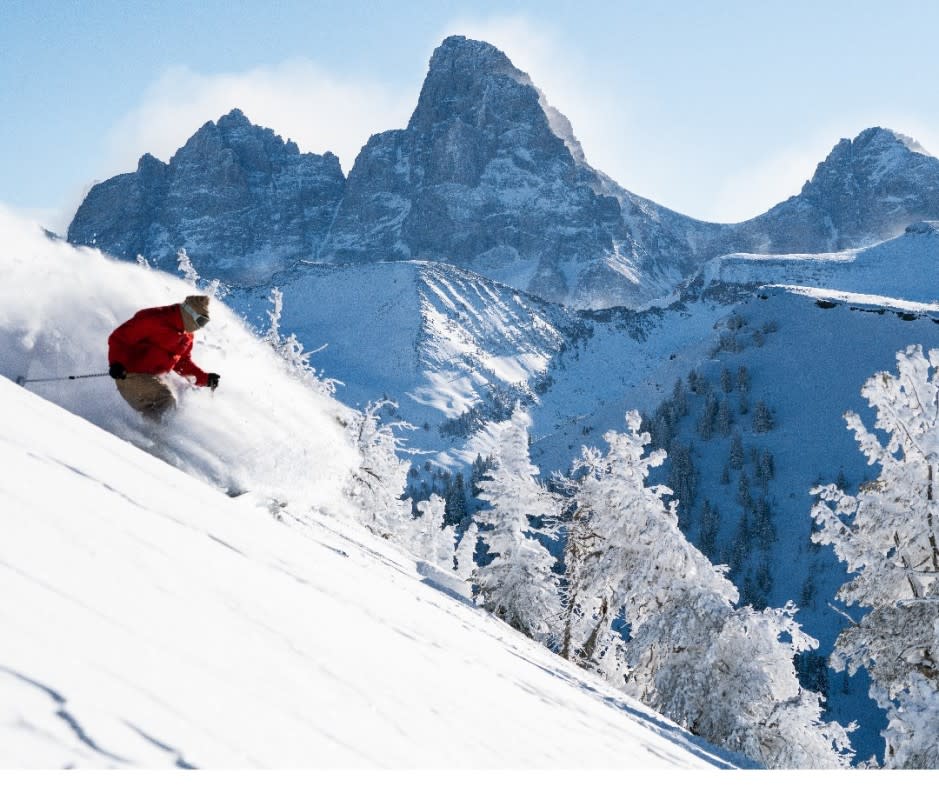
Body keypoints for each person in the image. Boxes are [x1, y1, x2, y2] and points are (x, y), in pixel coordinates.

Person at [108, 295, 220, 420]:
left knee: (177, 401)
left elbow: (182, 363)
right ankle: (156, 433)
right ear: (189, 313)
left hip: (151, 378)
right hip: (128, 374)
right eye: (201, 321)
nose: (201, 326)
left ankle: (150, 431)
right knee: (166, 400)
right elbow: (119, 338)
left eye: (205, 323)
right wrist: (116, 363)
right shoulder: (154, 319)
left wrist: (204, 378)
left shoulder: (187, 336)